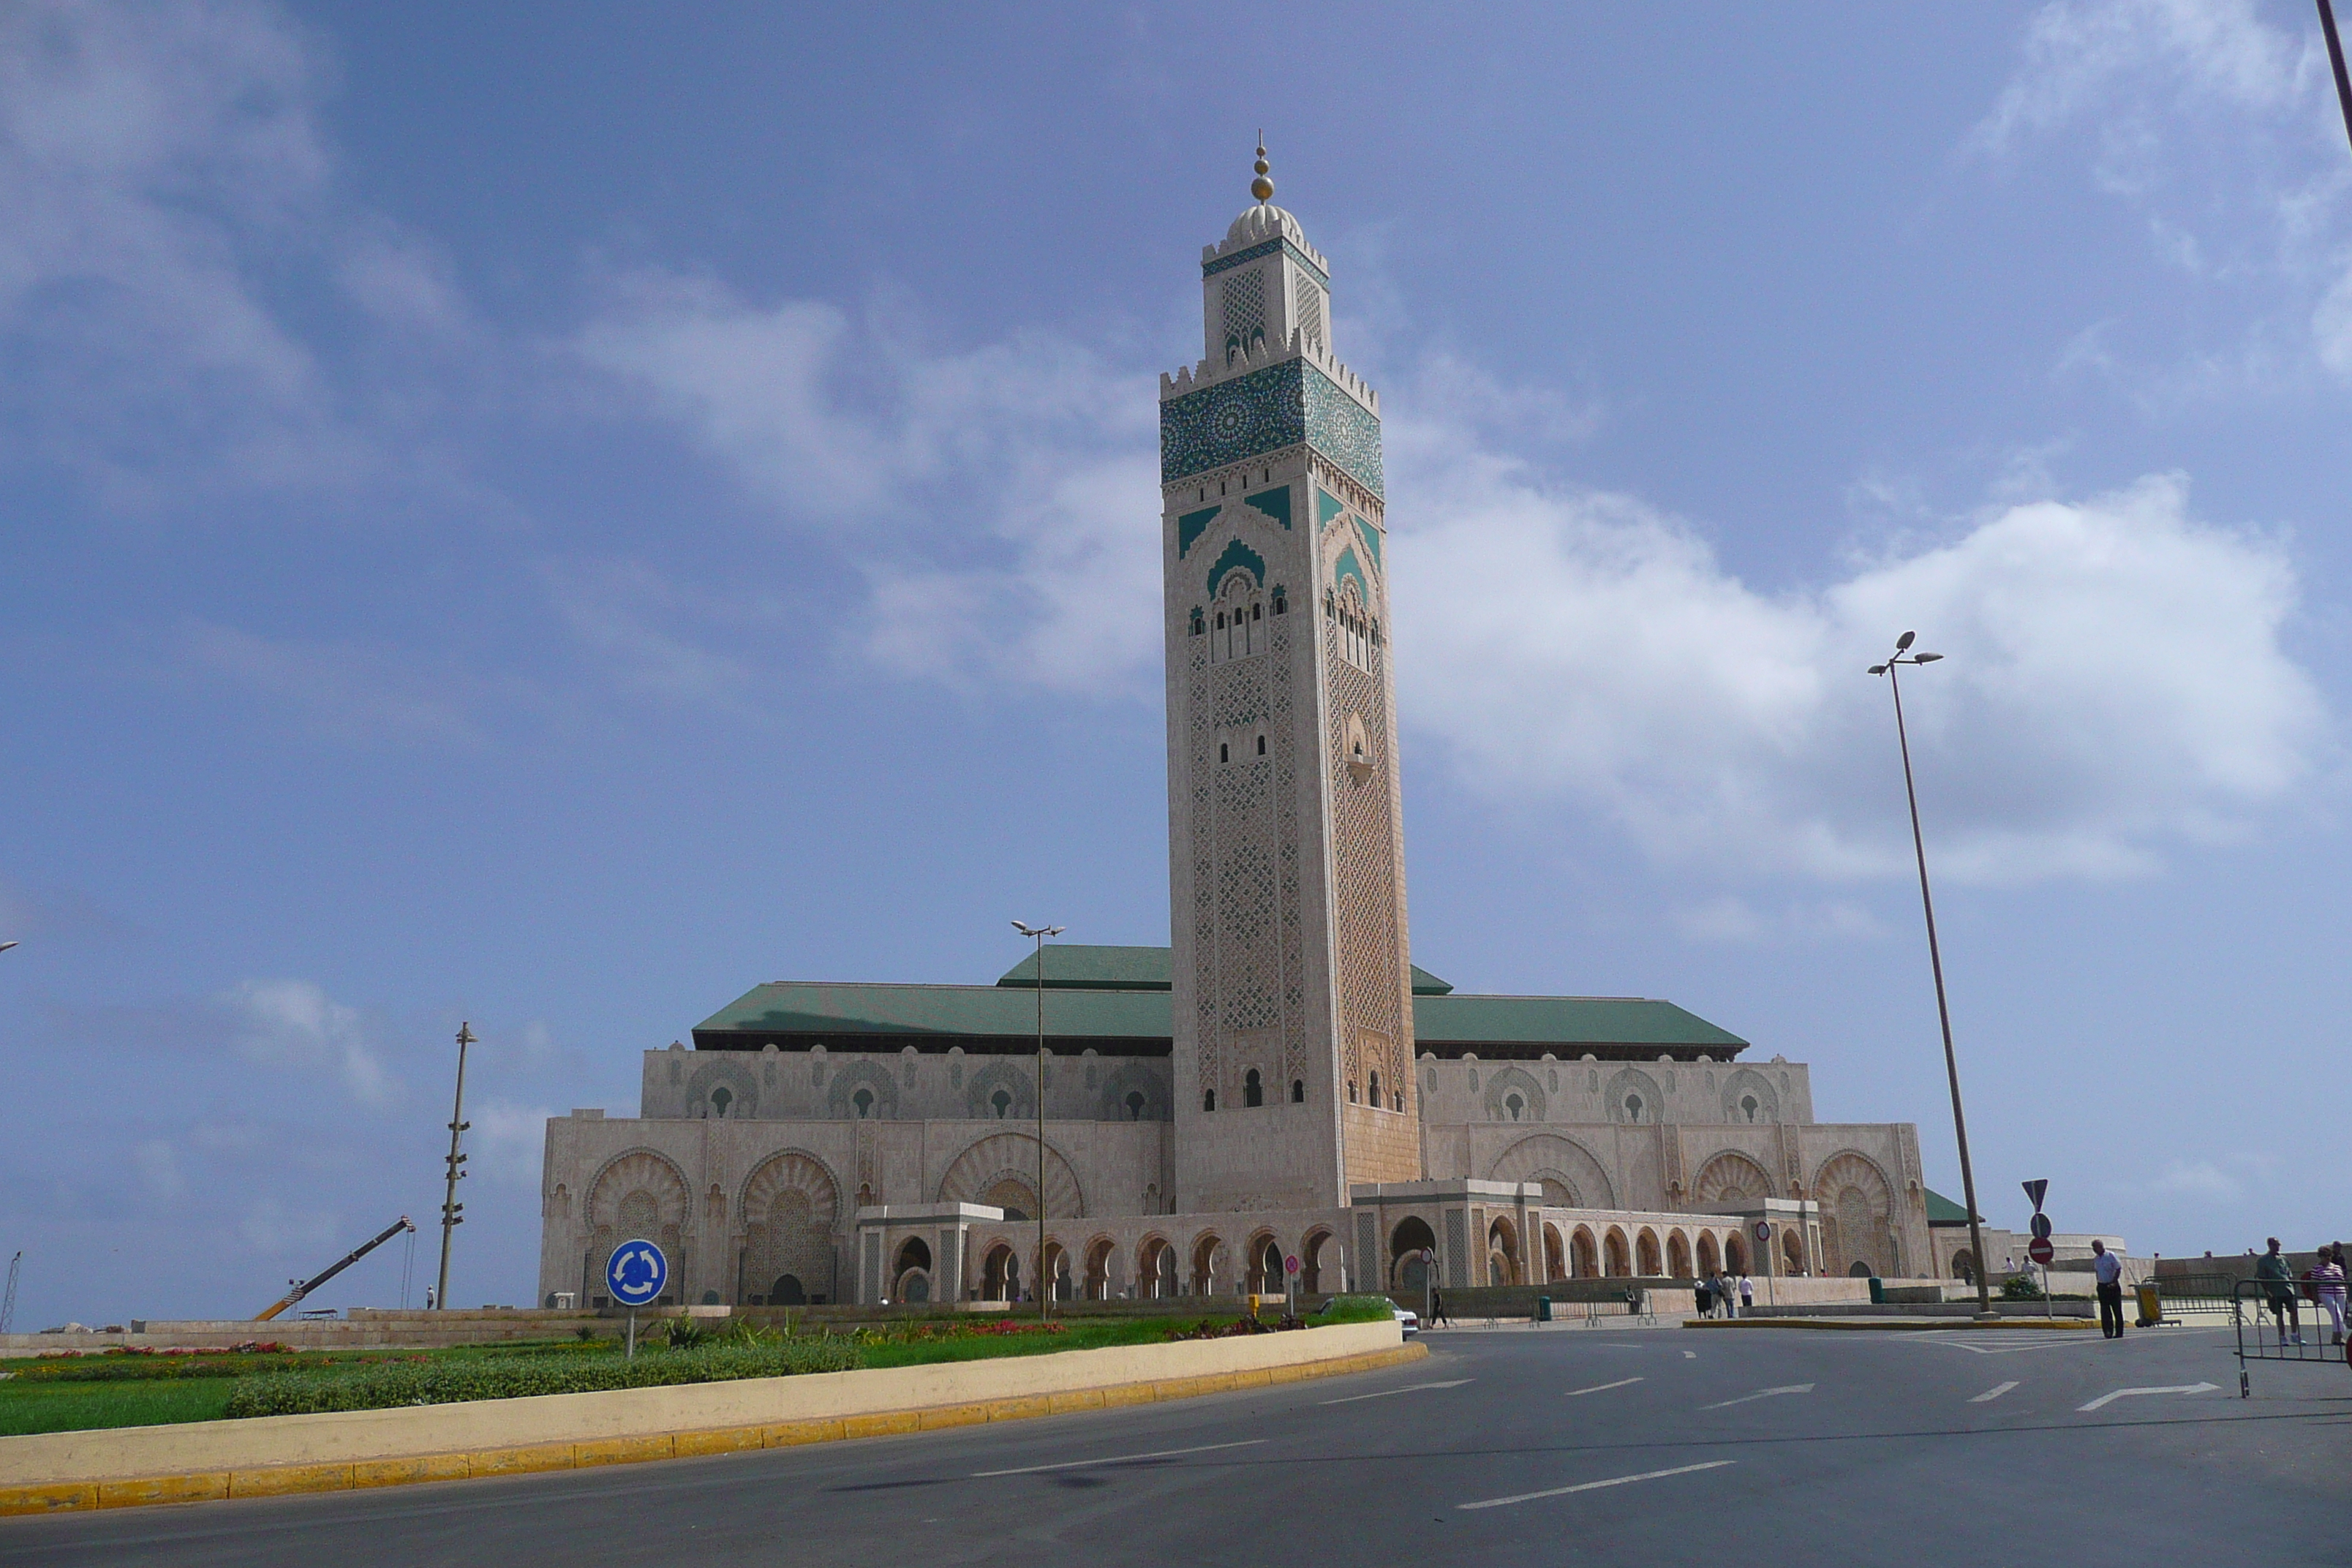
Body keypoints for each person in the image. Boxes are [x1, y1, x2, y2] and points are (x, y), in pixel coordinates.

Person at [2255, 1237, 2301, 1345]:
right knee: (2279, 1314)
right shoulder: (2263, 1261)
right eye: (2275, 1245)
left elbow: (2288, 1273)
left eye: (2278, 1244)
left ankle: (2294, 1335)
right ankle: (2282, 1337)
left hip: (2288, 1290)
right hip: (2275, 1291)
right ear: (2270, 1245)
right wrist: (2267, 1291)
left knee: (2294, 1312)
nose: (2277, 1247)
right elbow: (2262, 1278)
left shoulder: (2284, 1259)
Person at [2307, 1247, 2345, 1347]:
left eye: (2329, 1255)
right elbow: (2313, 1284)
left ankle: (2335, 1337)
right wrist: (2315, 1298)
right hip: (2326, 1293)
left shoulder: (2337, 1267)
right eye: (2325, 1256)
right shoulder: (2317, 1269)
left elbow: (2343, 1280)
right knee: (2336, 1313)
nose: (2327, 1258)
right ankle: (2340, 1335)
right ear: (2320, 1257)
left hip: (2340, 1293)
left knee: (2339, 1315)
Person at [2090, 1238, 2125, 1338]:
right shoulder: (2096, 1259)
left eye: (2095, 1247)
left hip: (2113, 1286)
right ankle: (2108, 1331)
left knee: (2117, 1310)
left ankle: (2119, 1332)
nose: (2094, 1249)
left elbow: (2118, 1268)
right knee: (2105, 1310)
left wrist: (2114, 1281)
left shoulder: (2111, 1256)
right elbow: (2097, 1272)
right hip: (2102, 1286)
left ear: (2100, 1246)